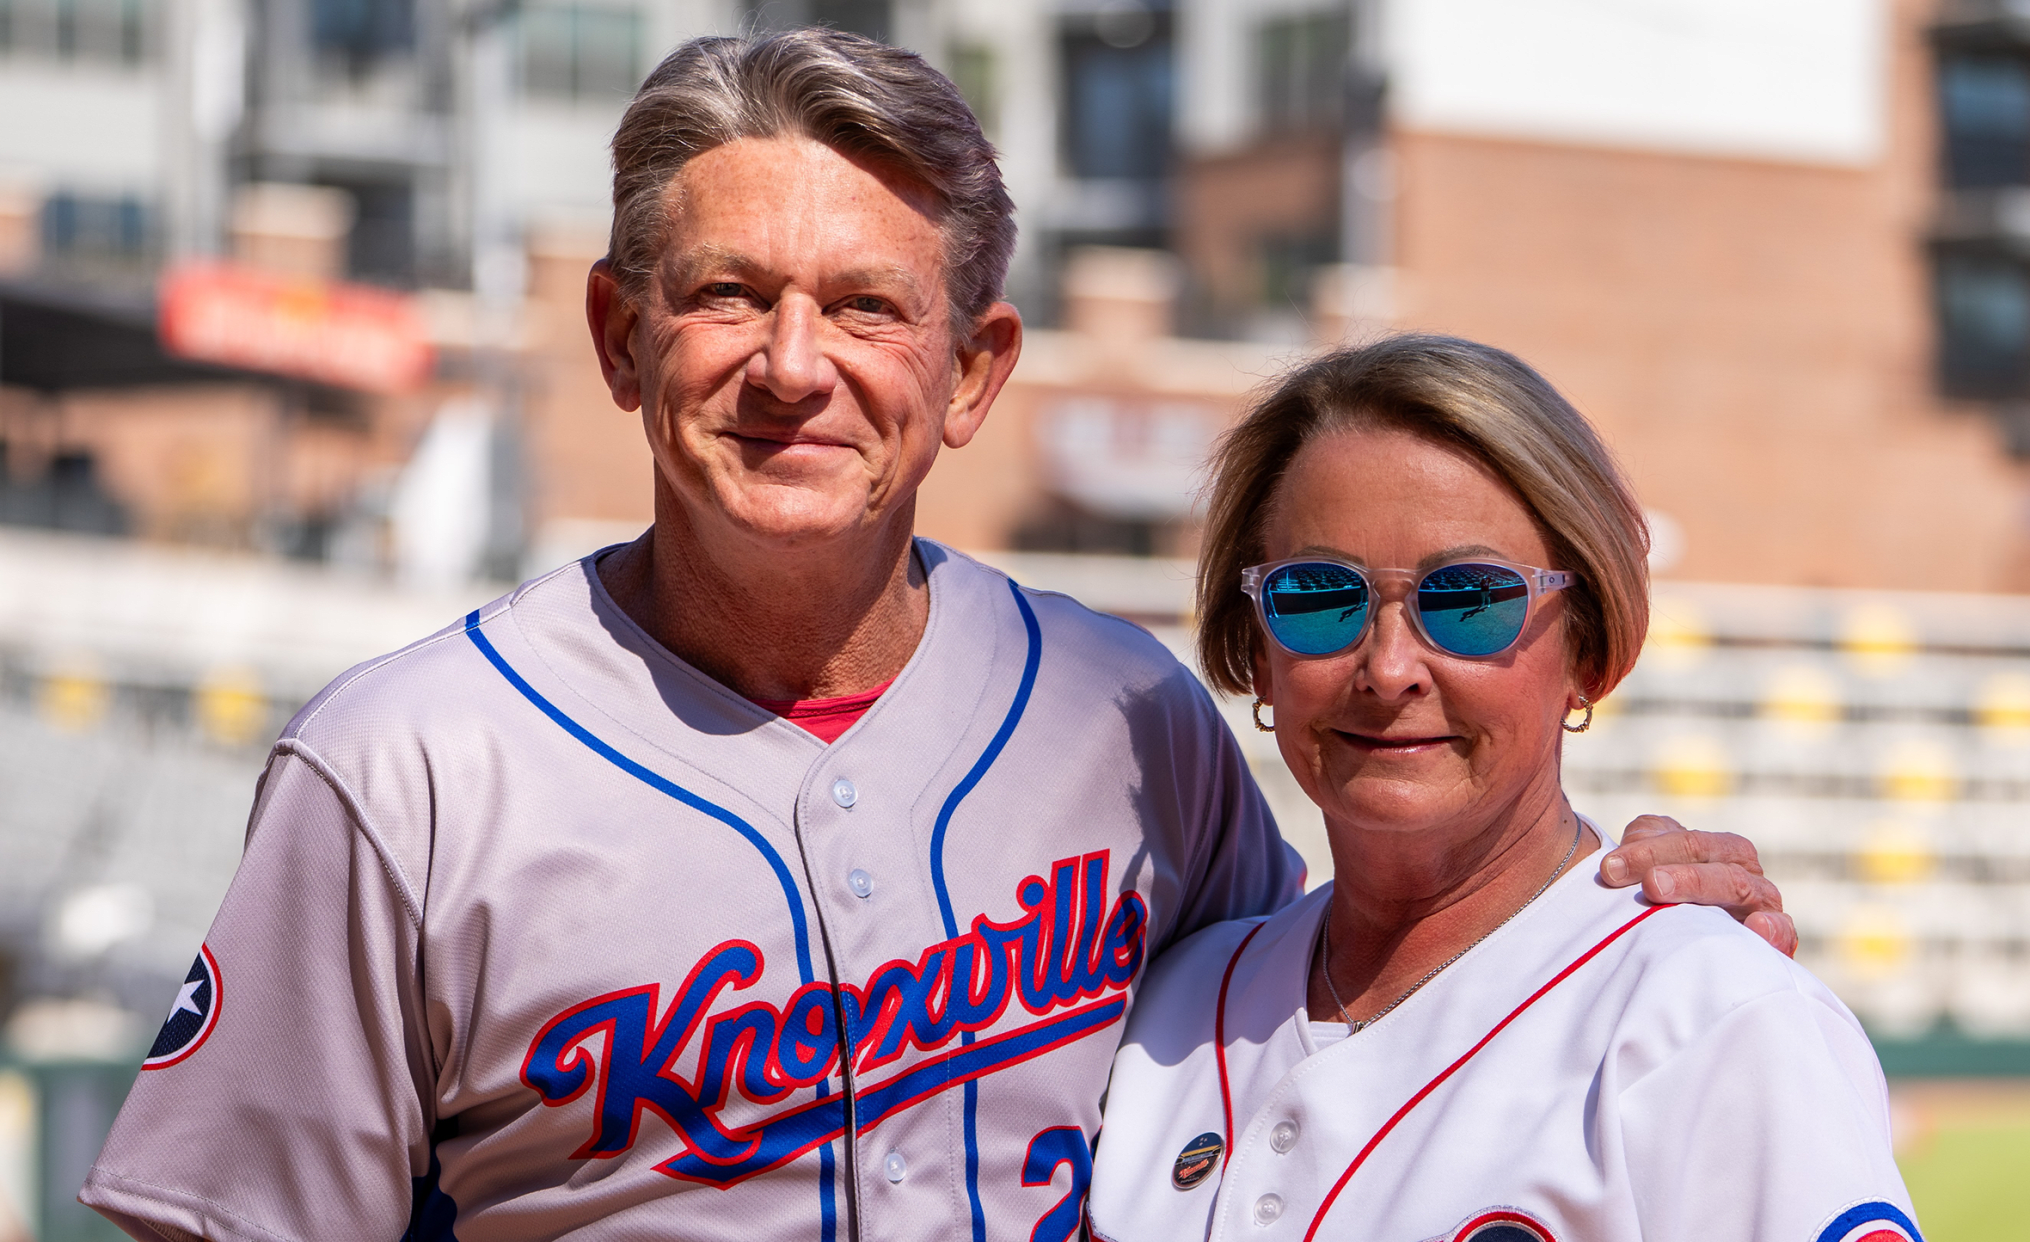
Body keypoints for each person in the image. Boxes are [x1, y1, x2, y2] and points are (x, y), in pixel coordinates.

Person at [82, 31, 1792, 1242]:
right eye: (727, 293)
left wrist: (1623, 916)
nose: (791, 364)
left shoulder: (1132, 724)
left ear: (971, 373)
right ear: (617, 336)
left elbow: (1343, 1025)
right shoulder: (401, 766)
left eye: (866, 306)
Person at [1086, 335, 1914, 1242]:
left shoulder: (1707, 1016)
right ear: (1257, 649)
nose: (1389, 667)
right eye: (1319, 596)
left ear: (1588, 652)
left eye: (1468, 599)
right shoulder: (1158, 1011)